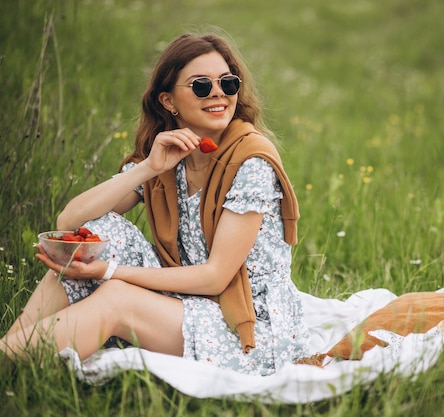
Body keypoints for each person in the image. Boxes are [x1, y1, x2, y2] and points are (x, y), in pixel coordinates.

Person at [1, 32, 311, 376]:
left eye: (228, 82)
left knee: (116, 296)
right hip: (190, 299)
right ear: (168, 101)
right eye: (201, 86)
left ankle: (10, 361)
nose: (219, 93)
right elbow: (70, 219)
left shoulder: (251, 162)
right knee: (93, 240)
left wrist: (109, 273)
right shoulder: (169, 155)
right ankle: (11, 357)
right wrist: (149, 167)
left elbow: (215, 277)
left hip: (246, 322)